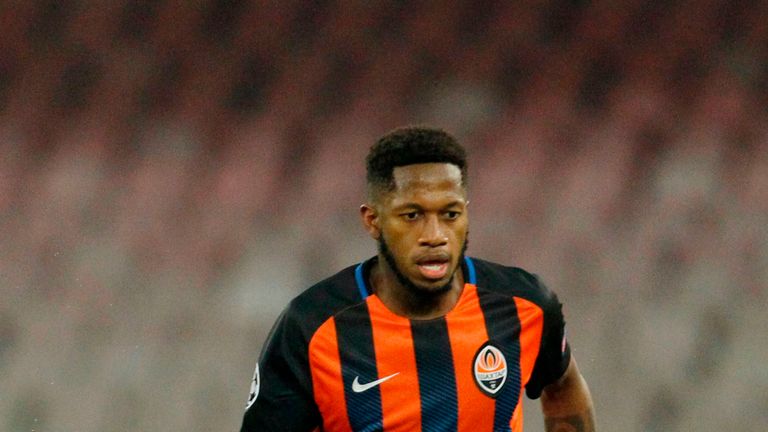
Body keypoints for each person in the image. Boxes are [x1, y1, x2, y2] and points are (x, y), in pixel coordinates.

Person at [240, 126, 595, 432]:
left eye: (450, 214)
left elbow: (562, 386)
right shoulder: (311, 327)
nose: (435, 235)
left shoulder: (524, 306)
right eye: (412, 215)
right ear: (373, 220)